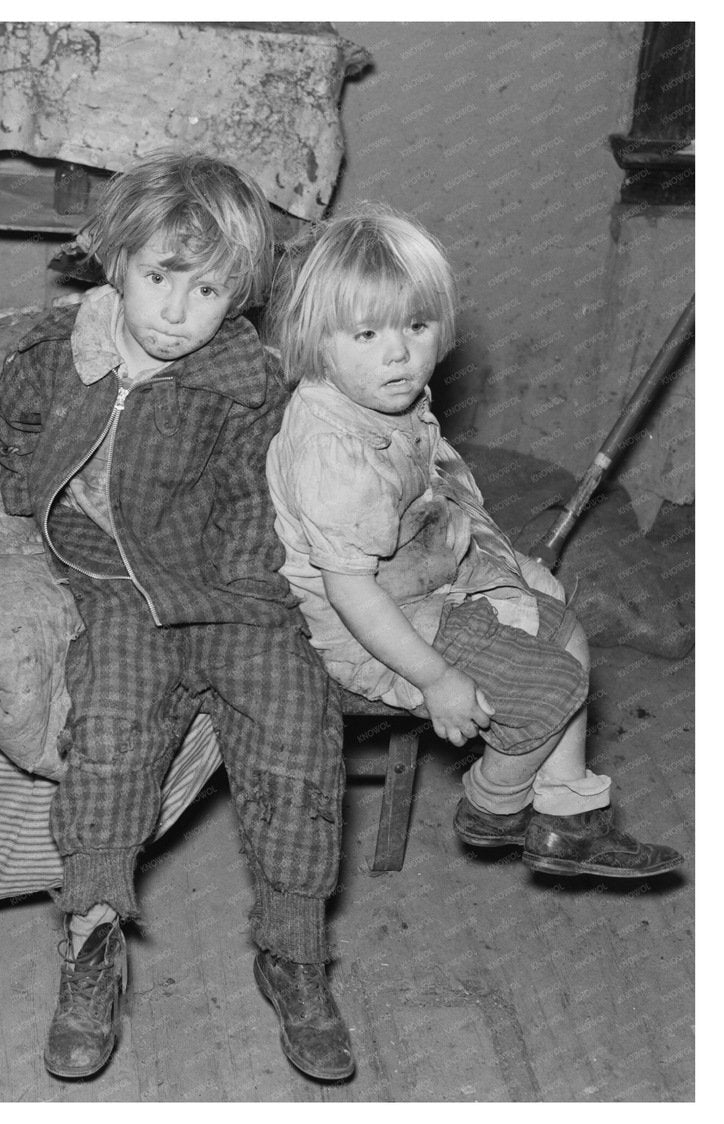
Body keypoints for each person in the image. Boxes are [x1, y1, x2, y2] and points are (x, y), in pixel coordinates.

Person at [0, 152, 355, 1084]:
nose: (180, 310)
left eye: (211, 289)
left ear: (241, 295)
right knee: (109, 737)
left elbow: (249, 500)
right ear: (115, 261)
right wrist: (31, 494)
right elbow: (14, 417)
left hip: (228, 596)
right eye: (160, 278)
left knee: (296, 742)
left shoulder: (245, 380)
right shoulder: (58, 352)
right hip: (114, 586)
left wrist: (246, 593)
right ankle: (91, 947)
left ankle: (295, 953)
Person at [263, 208, 682, 884]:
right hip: (369, 622)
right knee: (556, 687)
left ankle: (564, 817)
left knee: (564, 626)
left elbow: (436, 494)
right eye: (367, 333)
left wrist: (499, 563)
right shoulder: (334, 451)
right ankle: (494, 804)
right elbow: (351, 590)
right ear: (315, 338)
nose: (399, 353)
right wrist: (437, 679)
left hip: (424, 578)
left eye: (416, 327)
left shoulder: (386, 393)